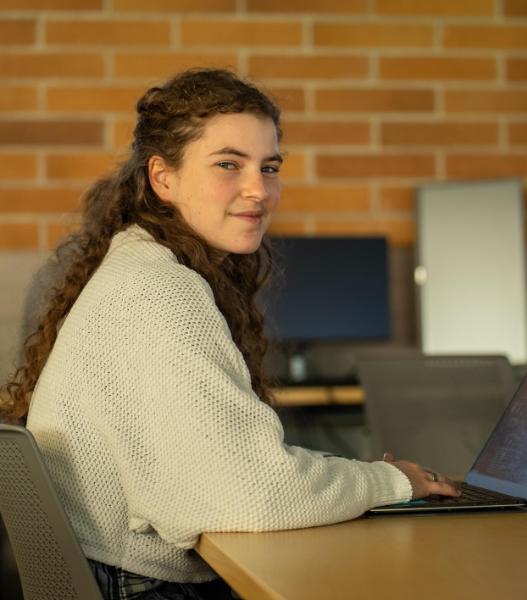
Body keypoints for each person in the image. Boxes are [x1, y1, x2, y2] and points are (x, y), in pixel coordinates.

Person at [1, 68, 459, 599]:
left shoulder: (141, 265)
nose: (257, 189)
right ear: (162, 177)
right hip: (145, 587)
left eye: (269, 167)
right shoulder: (159, 289)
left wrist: (352, 477)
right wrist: (392, 483)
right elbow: (253, 494)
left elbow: (239, 464)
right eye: (228, 165)